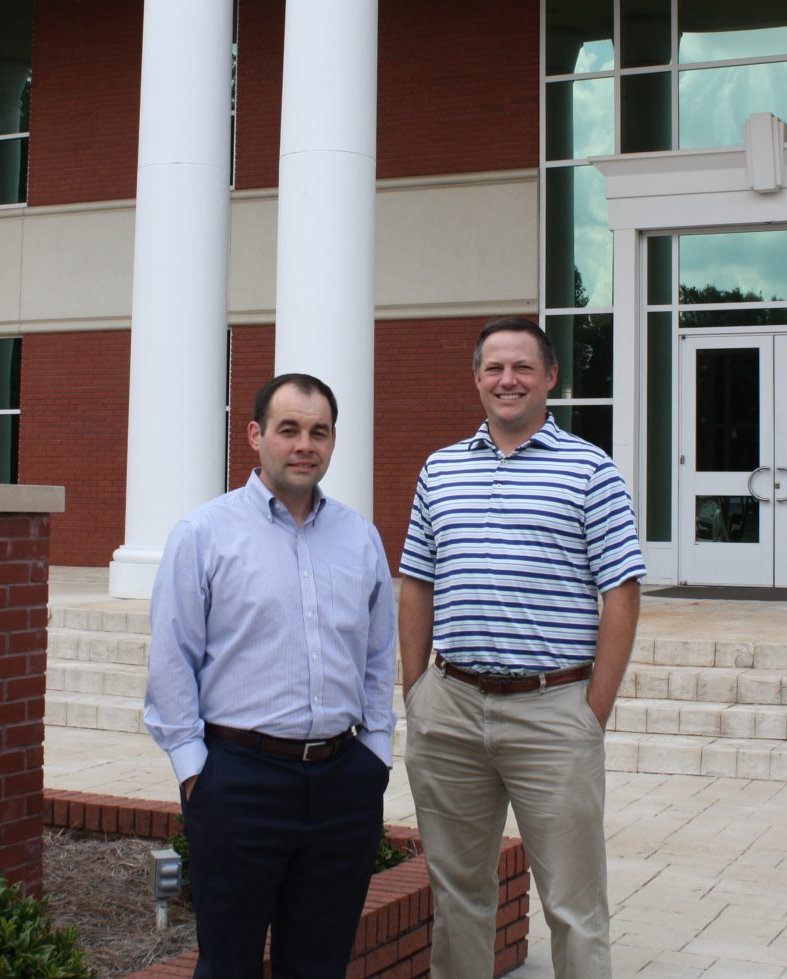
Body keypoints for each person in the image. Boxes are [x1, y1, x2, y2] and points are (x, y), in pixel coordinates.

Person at [398, 317, 646, 978]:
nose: (508, 380)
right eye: (495, 367)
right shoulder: (439, 468)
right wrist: (416, 690)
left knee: (573, 905)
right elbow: (416, 581)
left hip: (552, 711)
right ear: (477, 378)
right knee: (458, 899)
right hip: (449, 711)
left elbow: (621, 590)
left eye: (523, 368)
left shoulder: (591, 471)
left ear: (550, 378)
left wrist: (591, 708)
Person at [144, 372, 397, 978]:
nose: (304, 444)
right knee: (228, 963)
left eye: (319, 432)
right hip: (238, 783)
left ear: (334, 441)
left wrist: (377, 753)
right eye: (289, 430)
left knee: (319, 963)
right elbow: (171, 655)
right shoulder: (204, 533)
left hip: (342, 783)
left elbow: (379, 653)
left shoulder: (360, 537)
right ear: (256, 435)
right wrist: (193, 767)